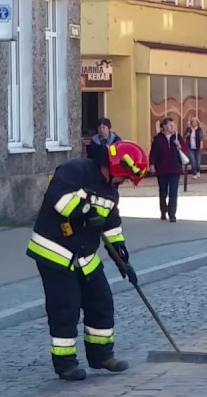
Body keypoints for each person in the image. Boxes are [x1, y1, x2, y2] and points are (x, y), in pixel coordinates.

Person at [27, 140, 149, 381]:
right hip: (55, 252)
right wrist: (86, 212)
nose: (123, 182)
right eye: (123, 177)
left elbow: (112, 227)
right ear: (113, 166)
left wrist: (123, 260)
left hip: (85, 255)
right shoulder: (75, 171)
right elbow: (58, 198)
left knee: (101, 301)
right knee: (66, 308)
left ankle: (102, 355)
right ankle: (66, 364)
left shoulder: (110, 191)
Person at [149, 117, 186, 221]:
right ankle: (163, 211)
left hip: (175, 168)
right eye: (170, 125)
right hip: (162, 169)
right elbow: (153, 152)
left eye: (173, 125)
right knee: (163, 191)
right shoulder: (158, 138)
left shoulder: (177, 137)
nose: (172, 127)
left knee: (173, 192)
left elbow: (185, 149)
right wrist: (152, 164)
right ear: (164, 126)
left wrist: (179, 146)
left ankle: (172, 214)